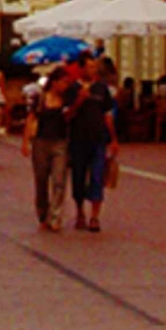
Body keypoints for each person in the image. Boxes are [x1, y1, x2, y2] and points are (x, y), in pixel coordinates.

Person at [68, 55, 117, 232]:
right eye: (89, 67)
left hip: (98, 139)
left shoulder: (101, 89)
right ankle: (80, 211)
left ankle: (95, 216)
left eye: (94, 67)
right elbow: (67, 116)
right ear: (81, 69)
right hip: (78, 140)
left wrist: (113, 139)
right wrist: (79, 101)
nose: (93, 70)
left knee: (97, 176)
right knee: (78, 177)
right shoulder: (72, 88)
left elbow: (107, 114)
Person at [22, 66, 73, 231]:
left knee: (59, 181)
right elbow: (30, 118)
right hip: (41, 142)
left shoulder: (67, 100)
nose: (66, 85)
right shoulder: (40, 98)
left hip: (60, 142)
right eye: (64, 82)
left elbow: (71, 118)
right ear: (55, 82)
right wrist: (25, 141)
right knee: (41, 180)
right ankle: (43, 214)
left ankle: (56, 217)